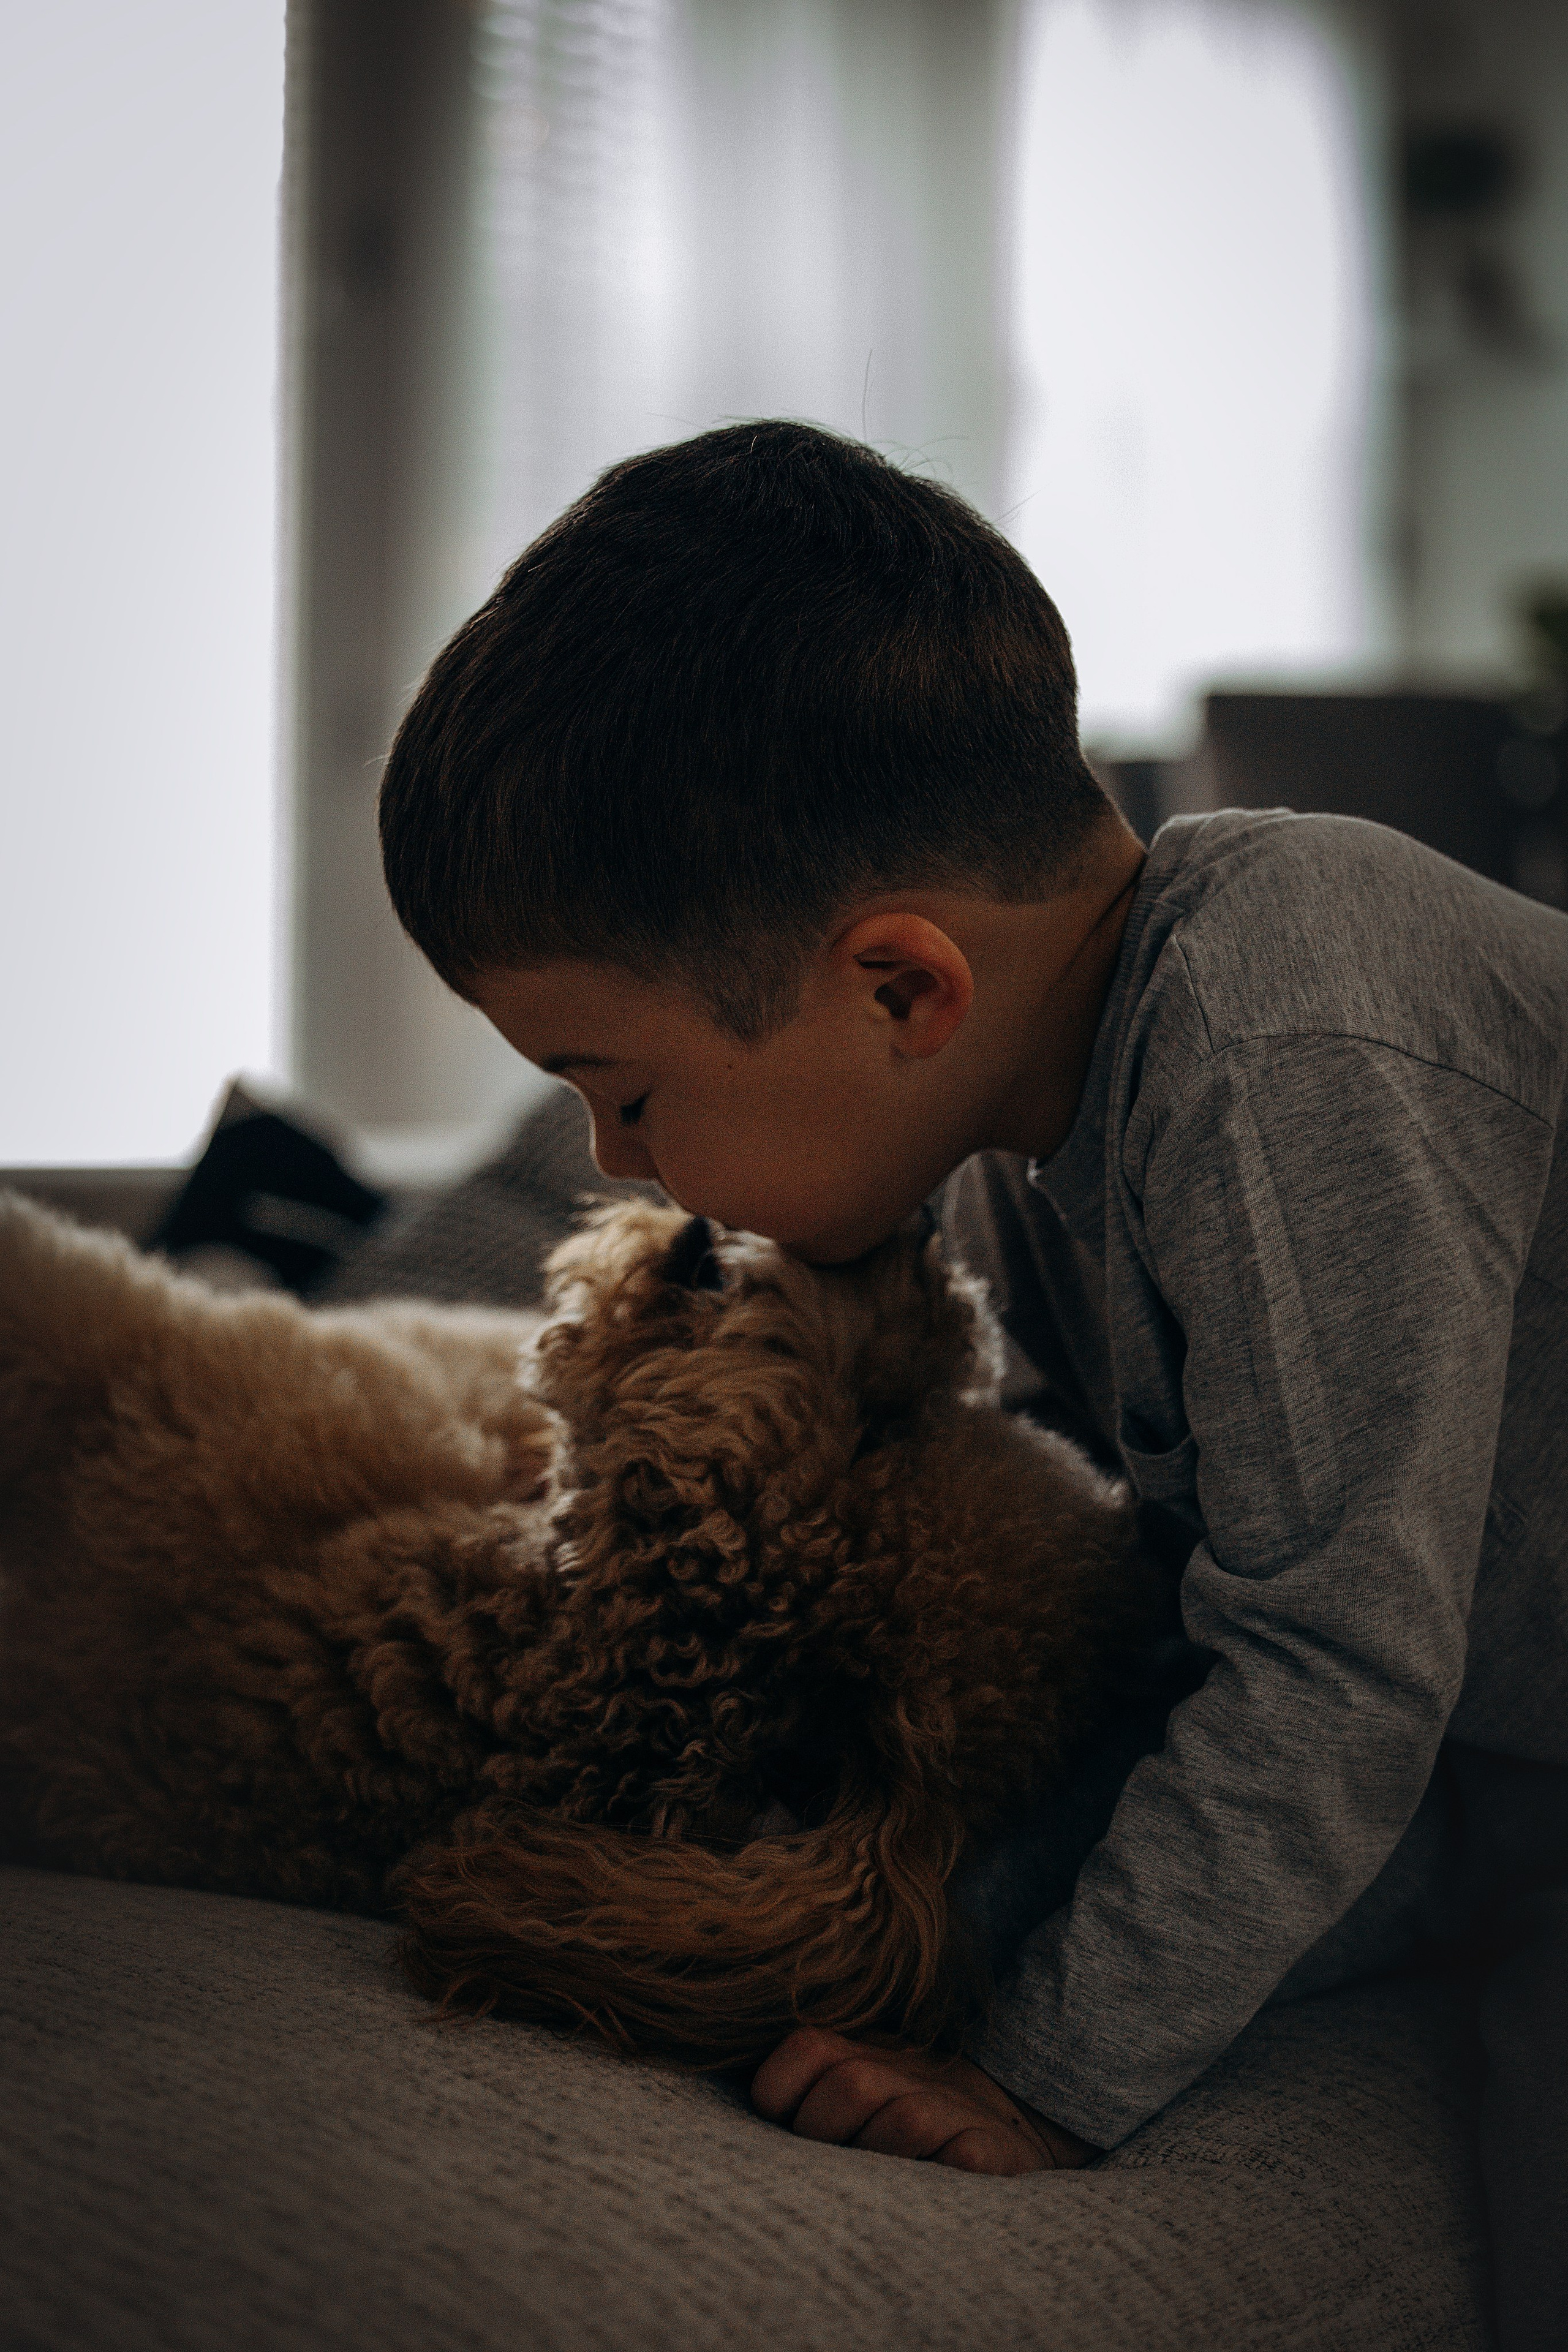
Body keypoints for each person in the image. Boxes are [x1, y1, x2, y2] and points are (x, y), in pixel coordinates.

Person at [377, 420, 1567, 2352]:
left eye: (627, 1092)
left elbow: (1335, 1663)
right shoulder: (1026, 1133)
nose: (609, 1167)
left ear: (901, 988)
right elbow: (1188, 1602)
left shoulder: (1284, 1037)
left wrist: (1049, 2071)